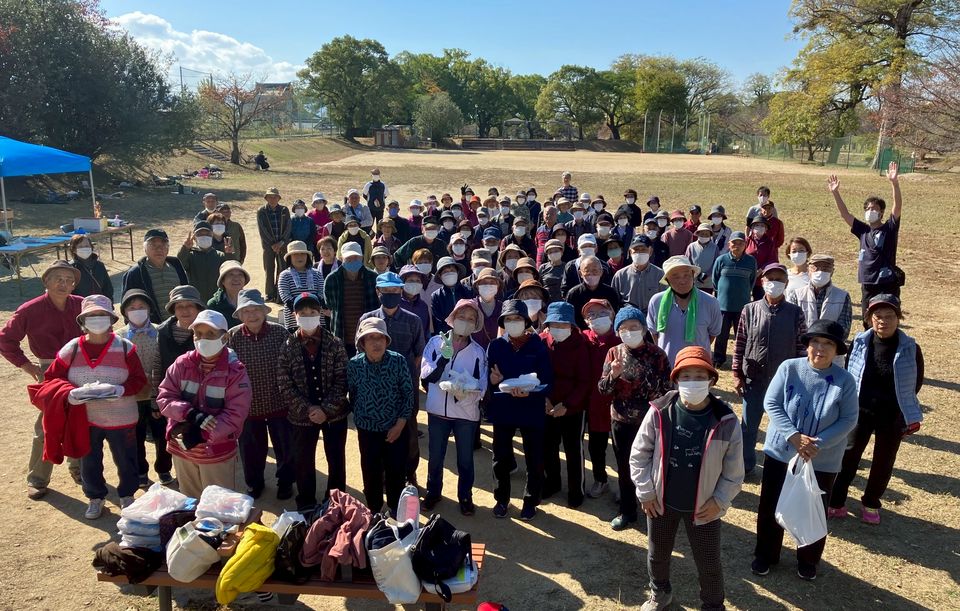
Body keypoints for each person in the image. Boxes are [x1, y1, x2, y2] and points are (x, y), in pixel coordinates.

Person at [630, 346, 744, 611]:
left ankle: (713, 605)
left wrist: (720, 500)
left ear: (712, 380)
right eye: (686, 376)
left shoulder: (725, 420)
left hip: (704, 507)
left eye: (700, 376)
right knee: (657, 554)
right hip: (661, 503)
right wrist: (646, 491)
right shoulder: (659, 412)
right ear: (676, 379)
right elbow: (639, 454)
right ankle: (660, 593)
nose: (693, 382)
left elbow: (734, 472)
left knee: (709, 562)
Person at [753, 319, 859, 582]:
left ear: (837, 350)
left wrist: (815, 444)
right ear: (807, 345)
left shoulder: (845, 381)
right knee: (770, 505)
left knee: (814, 510)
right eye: (815, 342)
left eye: (828, 344)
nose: (820, 348)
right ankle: (766, 554)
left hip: (821, 459)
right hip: (781, 452)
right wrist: (794, 436)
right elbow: (772, 403)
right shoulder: (789, 368)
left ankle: (808, 560)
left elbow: (848, 419)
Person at [44, 294, 147, 518]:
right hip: (86, 418)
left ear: (111, 319)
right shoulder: (71, 348)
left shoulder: (125, 347)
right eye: (92, 315)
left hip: (121, 416)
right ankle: (95, 497)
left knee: (126, 459)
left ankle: (127, 495)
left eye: (102, 314)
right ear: (82, 321)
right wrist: (70, 393)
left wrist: (120, 390)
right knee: (88, 460)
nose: (97, 319)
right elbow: (51, 378)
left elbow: (139, 380)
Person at [829, 294, 924, 525]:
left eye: (889, 316)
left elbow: (915, 381)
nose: (883, 321)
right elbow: (850, 373)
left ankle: (871, 502)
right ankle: (837, 501)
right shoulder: (859, 343)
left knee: (884, 461)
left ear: (898, 318)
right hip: (859, 411)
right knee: (848, 456)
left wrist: (903, 408)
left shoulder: (911, 348)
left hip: (891, 415)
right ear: (869, 318)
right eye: (878, 316)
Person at [0, 260, 84, 498]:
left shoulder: (82, 304)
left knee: (80, 419)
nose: (63, 284)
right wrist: (28, 367)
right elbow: (5, 339)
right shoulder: (30, 309)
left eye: (69, 280)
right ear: (46, 281)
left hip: (81, 365)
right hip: (50, 369)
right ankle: (37, 477)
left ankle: (79, 468)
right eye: (58, 279)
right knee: (48, 423)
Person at [157, 308, 252, 499]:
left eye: (210, 334)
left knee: (218, 503)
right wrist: (189, 413)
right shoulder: (181, 364)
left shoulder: (235, 371)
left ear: (225, 337)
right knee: (190, 500)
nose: (203, 339)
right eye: (198, 334)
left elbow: (236, 413)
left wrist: (203, 434)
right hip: (183, 448)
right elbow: (165, 396)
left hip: (216, 451)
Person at [598, 306, 672, 530]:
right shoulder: (614, 353)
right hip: (621, 420)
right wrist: (614, 375)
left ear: (643, 328)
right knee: (624, 466)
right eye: (623, 328)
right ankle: (627, 510)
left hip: (650, 422)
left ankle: (653, 506)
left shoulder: (657, 354)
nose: (629, 332)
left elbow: (667, 389)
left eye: (634, 327)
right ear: (617, 331)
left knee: (651, 465)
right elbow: (603, 389)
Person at [732, 264, 807, 475]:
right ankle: (745, 466)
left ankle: (780, 468)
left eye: (779, 279)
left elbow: (802, 348)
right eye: (770, 278)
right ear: (762, 281)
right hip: (754, 378)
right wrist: (737, 373)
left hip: (784, 382)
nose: (774, 283)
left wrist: (801, 378)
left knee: (784, 427)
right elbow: (740, 343)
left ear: (786, 283)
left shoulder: (795, 313)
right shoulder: (750, 309)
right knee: (748, 427)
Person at [277, 292, 349, 511]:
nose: (308, 316)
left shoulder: (335, 343)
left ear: (320, 314)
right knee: (303, 459)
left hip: (334, 415)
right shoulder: (287, 345)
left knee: (336, 458)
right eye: (303, 313)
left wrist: (325, 409)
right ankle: (306, 501)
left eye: (313, 312)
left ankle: (336, 502)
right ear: (295, 315)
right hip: (301, 416)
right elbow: (284, 383)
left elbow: (342, 380)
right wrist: (308, 409)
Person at [487, 300, 554, 521]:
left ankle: (531, 501)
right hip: (504, 408)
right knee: (500, 457)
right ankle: (501, 500)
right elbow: (488, 379)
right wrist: (493, 380)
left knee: (534, 458)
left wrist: (531, 393)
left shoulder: (538, 345)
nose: (513, 322)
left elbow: (547, 380)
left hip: (531, 408)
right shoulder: (496, 346)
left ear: (526, 321)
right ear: (503, 323)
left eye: (517, 318)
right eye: (508, 319)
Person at [420, 299, 487, 515]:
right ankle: (433, 492)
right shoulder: (435, 343)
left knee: (465, 459)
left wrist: (466, 391)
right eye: (461, 317)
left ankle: (465, 496)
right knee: (435, 457)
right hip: (438, 411)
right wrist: (443, 358)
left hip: (465, 413)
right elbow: (426, 376)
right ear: (453, 318)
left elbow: (482, 384)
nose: (465, 322)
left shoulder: (478, 352)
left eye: (471, 319)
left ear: (475, 324)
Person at [360, 272, 426, 488]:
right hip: (375, 387)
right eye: (386, 291)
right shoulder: (367, 320)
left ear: (401, 291)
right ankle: (383, 474)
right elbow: (361, 353)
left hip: (405, 387)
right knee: (378, 432)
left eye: (395, 290)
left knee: (409, 432)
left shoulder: (413, 320)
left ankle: (410, 473)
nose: (391, 294)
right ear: (378, 292)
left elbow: (419, 354)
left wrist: (403, 376)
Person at [228, 289, 294, 500]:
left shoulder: (280, 333)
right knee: (251, 450)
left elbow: (292, 364)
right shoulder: (233, 336)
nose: (252, 315)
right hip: (248, 406)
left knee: (285, 447)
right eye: (246, 311)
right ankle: (254, 483)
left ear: (265, 311)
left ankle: (285, 482)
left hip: (278, 401)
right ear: (240, 315)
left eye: (256, 309)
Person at [348, 318, 413, 513]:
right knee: (370, 472)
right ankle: (374, 510)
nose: (376, 343)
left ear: (386, 340)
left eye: (380, 338)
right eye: (370, 338)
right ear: (362, 342)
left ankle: (396, 510)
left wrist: (399, 425)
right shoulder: (354, 365)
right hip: (367, 430)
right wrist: (363, 418)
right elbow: (353, 394)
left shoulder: (398, 361)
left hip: (395, 428)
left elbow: (408, 395)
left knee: (396, 472)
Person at [828, 162, 904, 309]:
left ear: (881, 212)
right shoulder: (863, 230)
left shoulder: (889, 228)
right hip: (867, 281)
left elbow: (898, 207)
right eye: (868, 209)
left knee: (887, 314)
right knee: (867, 317)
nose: (870, 211)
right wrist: (835, 193)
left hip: (886, 281)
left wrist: (894, 183)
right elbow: (845, 214)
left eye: (874, 209)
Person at [118, 289, 173, 488]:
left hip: (158, 394)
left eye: (142, 306)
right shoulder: (118, 336)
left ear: (149, 308)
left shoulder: (161, 331)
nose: (137, 311)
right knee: (136, 437)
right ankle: (141, 471)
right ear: (125, 312)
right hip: (132, 397)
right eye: (132, 308)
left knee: (162, 434)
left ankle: (164, 468)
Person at [540, 302, 591, 508]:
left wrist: (567, 405)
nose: (559, 328)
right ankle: (552, 482)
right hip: (547, 404)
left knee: (573, 449)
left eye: (564, 324)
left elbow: (584, 381)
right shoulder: (542, 341)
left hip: (573, 408)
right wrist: (543, 398)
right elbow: (535, 372)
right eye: (554, 324)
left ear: (571, 325)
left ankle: (576, 489)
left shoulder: (581, 345)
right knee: (548, 446)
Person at [647, 256, 722, 365]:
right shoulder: (656, 301)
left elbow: (712, 334)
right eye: (675, 276)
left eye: (686, 275)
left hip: (698, 366)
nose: (682, 281)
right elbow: (654, 333)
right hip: (667, 365)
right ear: (667, 280)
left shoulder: (710, 302)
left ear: (693, 275)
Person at [581, 299, 621, 500]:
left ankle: (625, 485)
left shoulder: (621, 339)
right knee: (596, 446)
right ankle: (600, 479)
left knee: (622, 447)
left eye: (602, 313)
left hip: (619, 403)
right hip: (594, 402)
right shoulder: (583, 338)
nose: (597, 318)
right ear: (586, 321)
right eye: (591, 315)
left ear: (612, 314)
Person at [323, 242, 378, 357]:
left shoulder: (373, 278)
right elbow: (330, 305)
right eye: (348, 258)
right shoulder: (332, 279)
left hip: (367, 336)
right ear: (341, 259)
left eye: (356, 257)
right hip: (341, 336)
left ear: (362, 258)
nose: (353, 261)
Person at [787, 254, 853, 350]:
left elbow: (843, 330)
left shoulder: (843, 296)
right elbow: (792, 326)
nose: (820, 272)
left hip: (830, 352)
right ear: (808, 270)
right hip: (802, 351)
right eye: (816, 268)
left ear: (832, 272)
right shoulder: (796, 294)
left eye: (825, 268)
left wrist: (824, 346)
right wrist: (808, 346)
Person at [710, 232, 757, 368]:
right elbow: (715, 280)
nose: (737, 245)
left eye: (740, 243)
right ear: (729, 244)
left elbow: (752, 281)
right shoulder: (721, 260)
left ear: (745, 245)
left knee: (742, 336)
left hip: (742, 306)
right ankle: (718, 359)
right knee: (721, 334)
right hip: (723, 306)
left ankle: (742, 360)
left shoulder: (751, 261)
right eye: (734, 243)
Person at [121, 229, 188, 323]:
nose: (159, 249)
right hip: (150, 327)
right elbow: (127, 305)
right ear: (145, 249)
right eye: (153, 245)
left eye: (163, 245)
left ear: (168, 249)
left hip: (178, 325)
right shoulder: (135, 273)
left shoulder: (176, 268)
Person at [178, 221, 235, 302]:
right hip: (196, 300)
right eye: (200, 234)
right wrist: (185, 248)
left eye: (207, 234)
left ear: (212, 236)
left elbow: (232, 270)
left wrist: (229, 254)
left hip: (217, 300)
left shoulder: (220, 255)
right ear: (194, 238)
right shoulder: (190, 255)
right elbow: (180, 265)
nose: (204, 236)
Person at [565, 255, 623, 330]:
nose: (591, 273)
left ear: (601, 272)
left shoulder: (611, 292)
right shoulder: (573, 294)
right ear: (580, 274)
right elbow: (570, 318)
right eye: (587, 271)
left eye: (595, 270)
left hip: (607, 332)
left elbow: (616, 316)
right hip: (582, 334)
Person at [278, 241, 325, 331]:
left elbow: (322, 292)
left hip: (315, 316)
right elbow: (285, 295)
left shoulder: (317, 273)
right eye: (295, 254)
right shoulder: (284, 275)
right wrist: (297, 309)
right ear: (290, 257)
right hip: (294, 318)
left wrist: (313, 308)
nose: (300, 257)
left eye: (303, 254)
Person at [612, 235, 664, 315]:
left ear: (650, 251)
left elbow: (665, 300)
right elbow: (614, 302)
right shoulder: (620, 275)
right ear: (630, 252)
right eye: (636, 250)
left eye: (643, 250)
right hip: (629, 318)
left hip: (652, 318)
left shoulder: (660, 274)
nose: (639, 253)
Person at [256, 187, 292, 303]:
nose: (272, 199)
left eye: (275, 197)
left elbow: (288, 227)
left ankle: (280, 293)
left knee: (282, 268)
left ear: (278, 198)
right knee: (269, 268)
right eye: (270, 197)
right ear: (266, 198)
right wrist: (273, 244)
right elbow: (262, 230)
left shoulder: (284, 210)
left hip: (282, 245)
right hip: (268, 246)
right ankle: (269, 293)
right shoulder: (261, 211)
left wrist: (281, 242)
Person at [69, 234, 114, 302]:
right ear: (74, 250)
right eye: (80, 247)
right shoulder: (71, 269)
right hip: (80, 305)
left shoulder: (99, 266)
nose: (84, 248)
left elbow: (108, 288)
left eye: (86, 246)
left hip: (100, 305)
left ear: (91, 247)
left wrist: (109, 304)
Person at [206, 260, 249, 329]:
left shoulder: (252, 300)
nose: (236, 278)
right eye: (231, 275)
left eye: (240, 275)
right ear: (222, 281)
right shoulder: (214, 305)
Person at [744, 217, 779, 299]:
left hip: (761, 279)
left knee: (759, 300)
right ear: (752, 228)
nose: (759, 227)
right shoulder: (747, 241)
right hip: (747, 277)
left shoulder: (769, 243)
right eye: (757, 225)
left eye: (762, 226)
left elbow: (772, 260)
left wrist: (760, 271)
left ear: (766, 228)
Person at [471, 268, 503, 349]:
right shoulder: (470, 306)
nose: (488, 285)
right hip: (474, 354)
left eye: (492, 282)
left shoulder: (504, 309)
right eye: (484, 282)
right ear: (477, 286)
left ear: (498, 286)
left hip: (497, 353)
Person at [398, 265, 431, 339]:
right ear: (402, 283)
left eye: (418, 281)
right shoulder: (395, 304)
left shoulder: (423, 306)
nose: (415, 283)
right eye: (411, 280)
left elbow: (426, 332)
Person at [685, 223, 720, 294]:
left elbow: (716, 263)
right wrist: (697, 273)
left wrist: (707, 274)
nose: (704, 236)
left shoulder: (715, 247)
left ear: (710, 235)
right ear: (698, 234)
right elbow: (687, 262)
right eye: (702, 234)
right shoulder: (691, 246)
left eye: (707, 234)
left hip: (708, 283)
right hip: (694, 281)